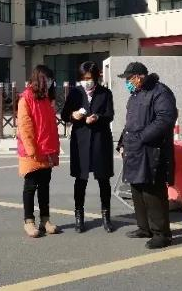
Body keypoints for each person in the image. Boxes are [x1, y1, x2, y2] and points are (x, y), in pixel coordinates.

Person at [116, 62, 178, 249]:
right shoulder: (135, 95)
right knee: (137, 189)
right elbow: (130, 123)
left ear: (139, 77)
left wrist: (141, 137)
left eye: (129, 79)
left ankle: (161, 234)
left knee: (153, 192)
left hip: (152, 150)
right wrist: (122, 142)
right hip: (134, 150)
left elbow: (165, 119)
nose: (127, 82)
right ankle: (144, 228)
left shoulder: (160, 92)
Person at [61, 61, 115, 234]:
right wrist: (73, 115)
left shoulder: (105, 93)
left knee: (103, 179)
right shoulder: (75, 93)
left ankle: (106, 216)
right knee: (80, 179)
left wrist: (97, 117)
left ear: (96, 77)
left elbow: (110, 115)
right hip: (81, 140)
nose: (87, 81)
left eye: (89, 78)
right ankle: (79, 216)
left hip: (100, 140)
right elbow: (64, 115)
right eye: (83, 78)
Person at [17, 65, 61, 238]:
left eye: (51, 80)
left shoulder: (46, 99)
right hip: (33, 152)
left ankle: (45, 220)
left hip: (47, 149)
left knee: (44, 186)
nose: (49, 82)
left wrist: (55, 147)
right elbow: (25, 126)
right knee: (30, 187)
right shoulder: (26, 98)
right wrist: (31, 150)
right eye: (46, 79)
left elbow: (51, 127)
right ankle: (29, 221)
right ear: (38, 79)